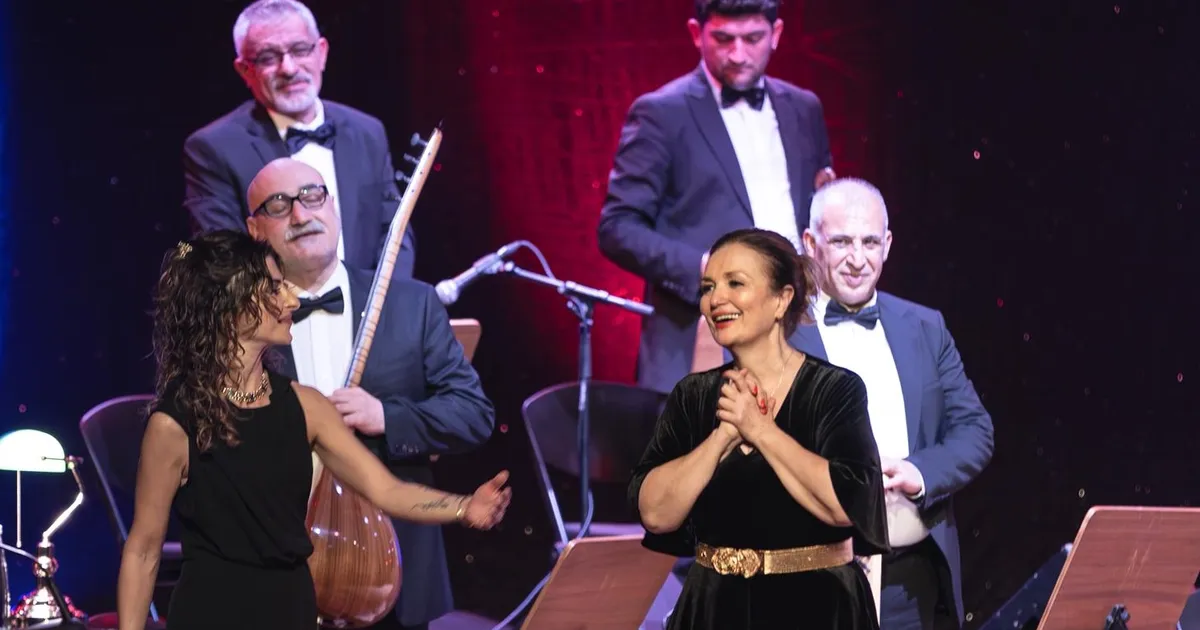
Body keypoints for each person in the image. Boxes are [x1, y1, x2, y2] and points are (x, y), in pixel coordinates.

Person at [116, 231, 510, 630]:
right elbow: (143, 549)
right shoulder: (174, 424)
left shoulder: (307, 407)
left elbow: (387, 491)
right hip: (212, 614)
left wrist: (463, 507)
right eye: (274, 288)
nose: (293, 300)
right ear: (229, 304)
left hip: (291, 610)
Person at [243, 157, 495, 630]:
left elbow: (473, 415)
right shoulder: (236, 317)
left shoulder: (412, 304)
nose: (300, 215)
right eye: (278, 205)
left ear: (333, 207)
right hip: (275, 575)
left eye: (312, 196)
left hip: (394, 576)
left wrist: (387, 417)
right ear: (254, 229)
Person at [629, 227, 889, 629]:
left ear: (782, 299)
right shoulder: (693, 396)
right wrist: (722, 437)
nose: (716, 299)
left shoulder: (834, 390)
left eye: (735, 283)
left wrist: (760, 429)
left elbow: (844, 505)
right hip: (713, 610)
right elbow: (656, 514)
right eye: (708, 287)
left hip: (817, 609)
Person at [598, 0, 836, 396]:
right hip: (703, 337)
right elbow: (617, 228)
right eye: (724, 39)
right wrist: (704, 269)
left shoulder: (804, 108)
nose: (738, 54)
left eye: (752, 39)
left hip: (797, 331)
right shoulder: (661, 113)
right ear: (696, 33)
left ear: (776, 34)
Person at [796, 178, 995, 629]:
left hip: (912, 583)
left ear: (887, 245)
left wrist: (918, 472)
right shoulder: (777, 334)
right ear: (810, 243)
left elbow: (975, 431)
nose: (857, 259)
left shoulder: (925, 326)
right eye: (841, 242)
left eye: (869, 242)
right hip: (812, 583)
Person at [182, 0, 415, 277]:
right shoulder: (213, 148)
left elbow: (395, 233)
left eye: (300, 50)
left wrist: (385, 300)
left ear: (322, 53)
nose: (289, 68)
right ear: (245, 70)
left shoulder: (367, 132)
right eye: (268, 57)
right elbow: (225, 257)